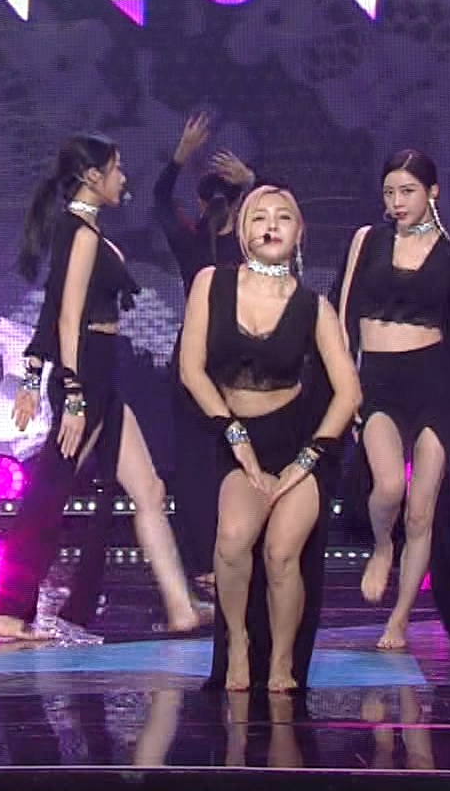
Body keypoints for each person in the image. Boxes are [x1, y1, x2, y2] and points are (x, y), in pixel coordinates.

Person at [0, 132, 206, 641]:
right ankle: (8, 608)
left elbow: (51, 308)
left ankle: (181, 608)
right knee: (49, 492)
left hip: (102, 374)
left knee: (149, 490)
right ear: (93, 176)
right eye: (117, 168)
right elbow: (66, 317)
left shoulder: (81, 229)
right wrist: (71, 394)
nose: (123, 177)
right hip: (86, 375)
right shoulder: (80, 233)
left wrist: (33, 375)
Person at [177, 185, 360, 691]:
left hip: (300, 442)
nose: (271, 225)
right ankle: (237, 642)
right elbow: (191, 369)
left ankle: (282, 661)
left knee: (281, 552)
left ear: (299, 232)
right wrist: (232, 432)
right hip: (235, 437)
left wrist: (309, 458)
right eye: (259, 217)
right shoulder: (211, 284)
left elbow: (349, 392)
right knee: (233, 540)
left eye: (283, 217)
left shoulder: (314, 307)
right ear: (242, 230)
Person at [333, 149, 450, 650]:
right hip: (378, 380)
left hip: (434, 383)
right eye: (389, 192)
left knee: (423, 510)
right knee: (388, 487)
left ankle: (400, 619)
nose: (397, 202)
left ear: (433, 193)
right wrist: (345, 383)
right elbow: (342, 317)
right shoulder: (367, 240)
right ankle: (382, 546)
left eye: (407, 191)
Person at [153, 112, 256, 592]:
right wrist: (252, 180)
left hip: (206, 361)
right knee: (230, 461)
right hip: (232, 361)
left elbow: (159, 201)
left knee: (199, 466)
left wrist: (179, 156)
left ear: (200, 203)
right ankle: (229, 560)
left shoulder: (195, 242)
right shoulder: (248, 245)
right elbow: (283, 210)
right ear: (241, 205)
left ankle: (208, 563)